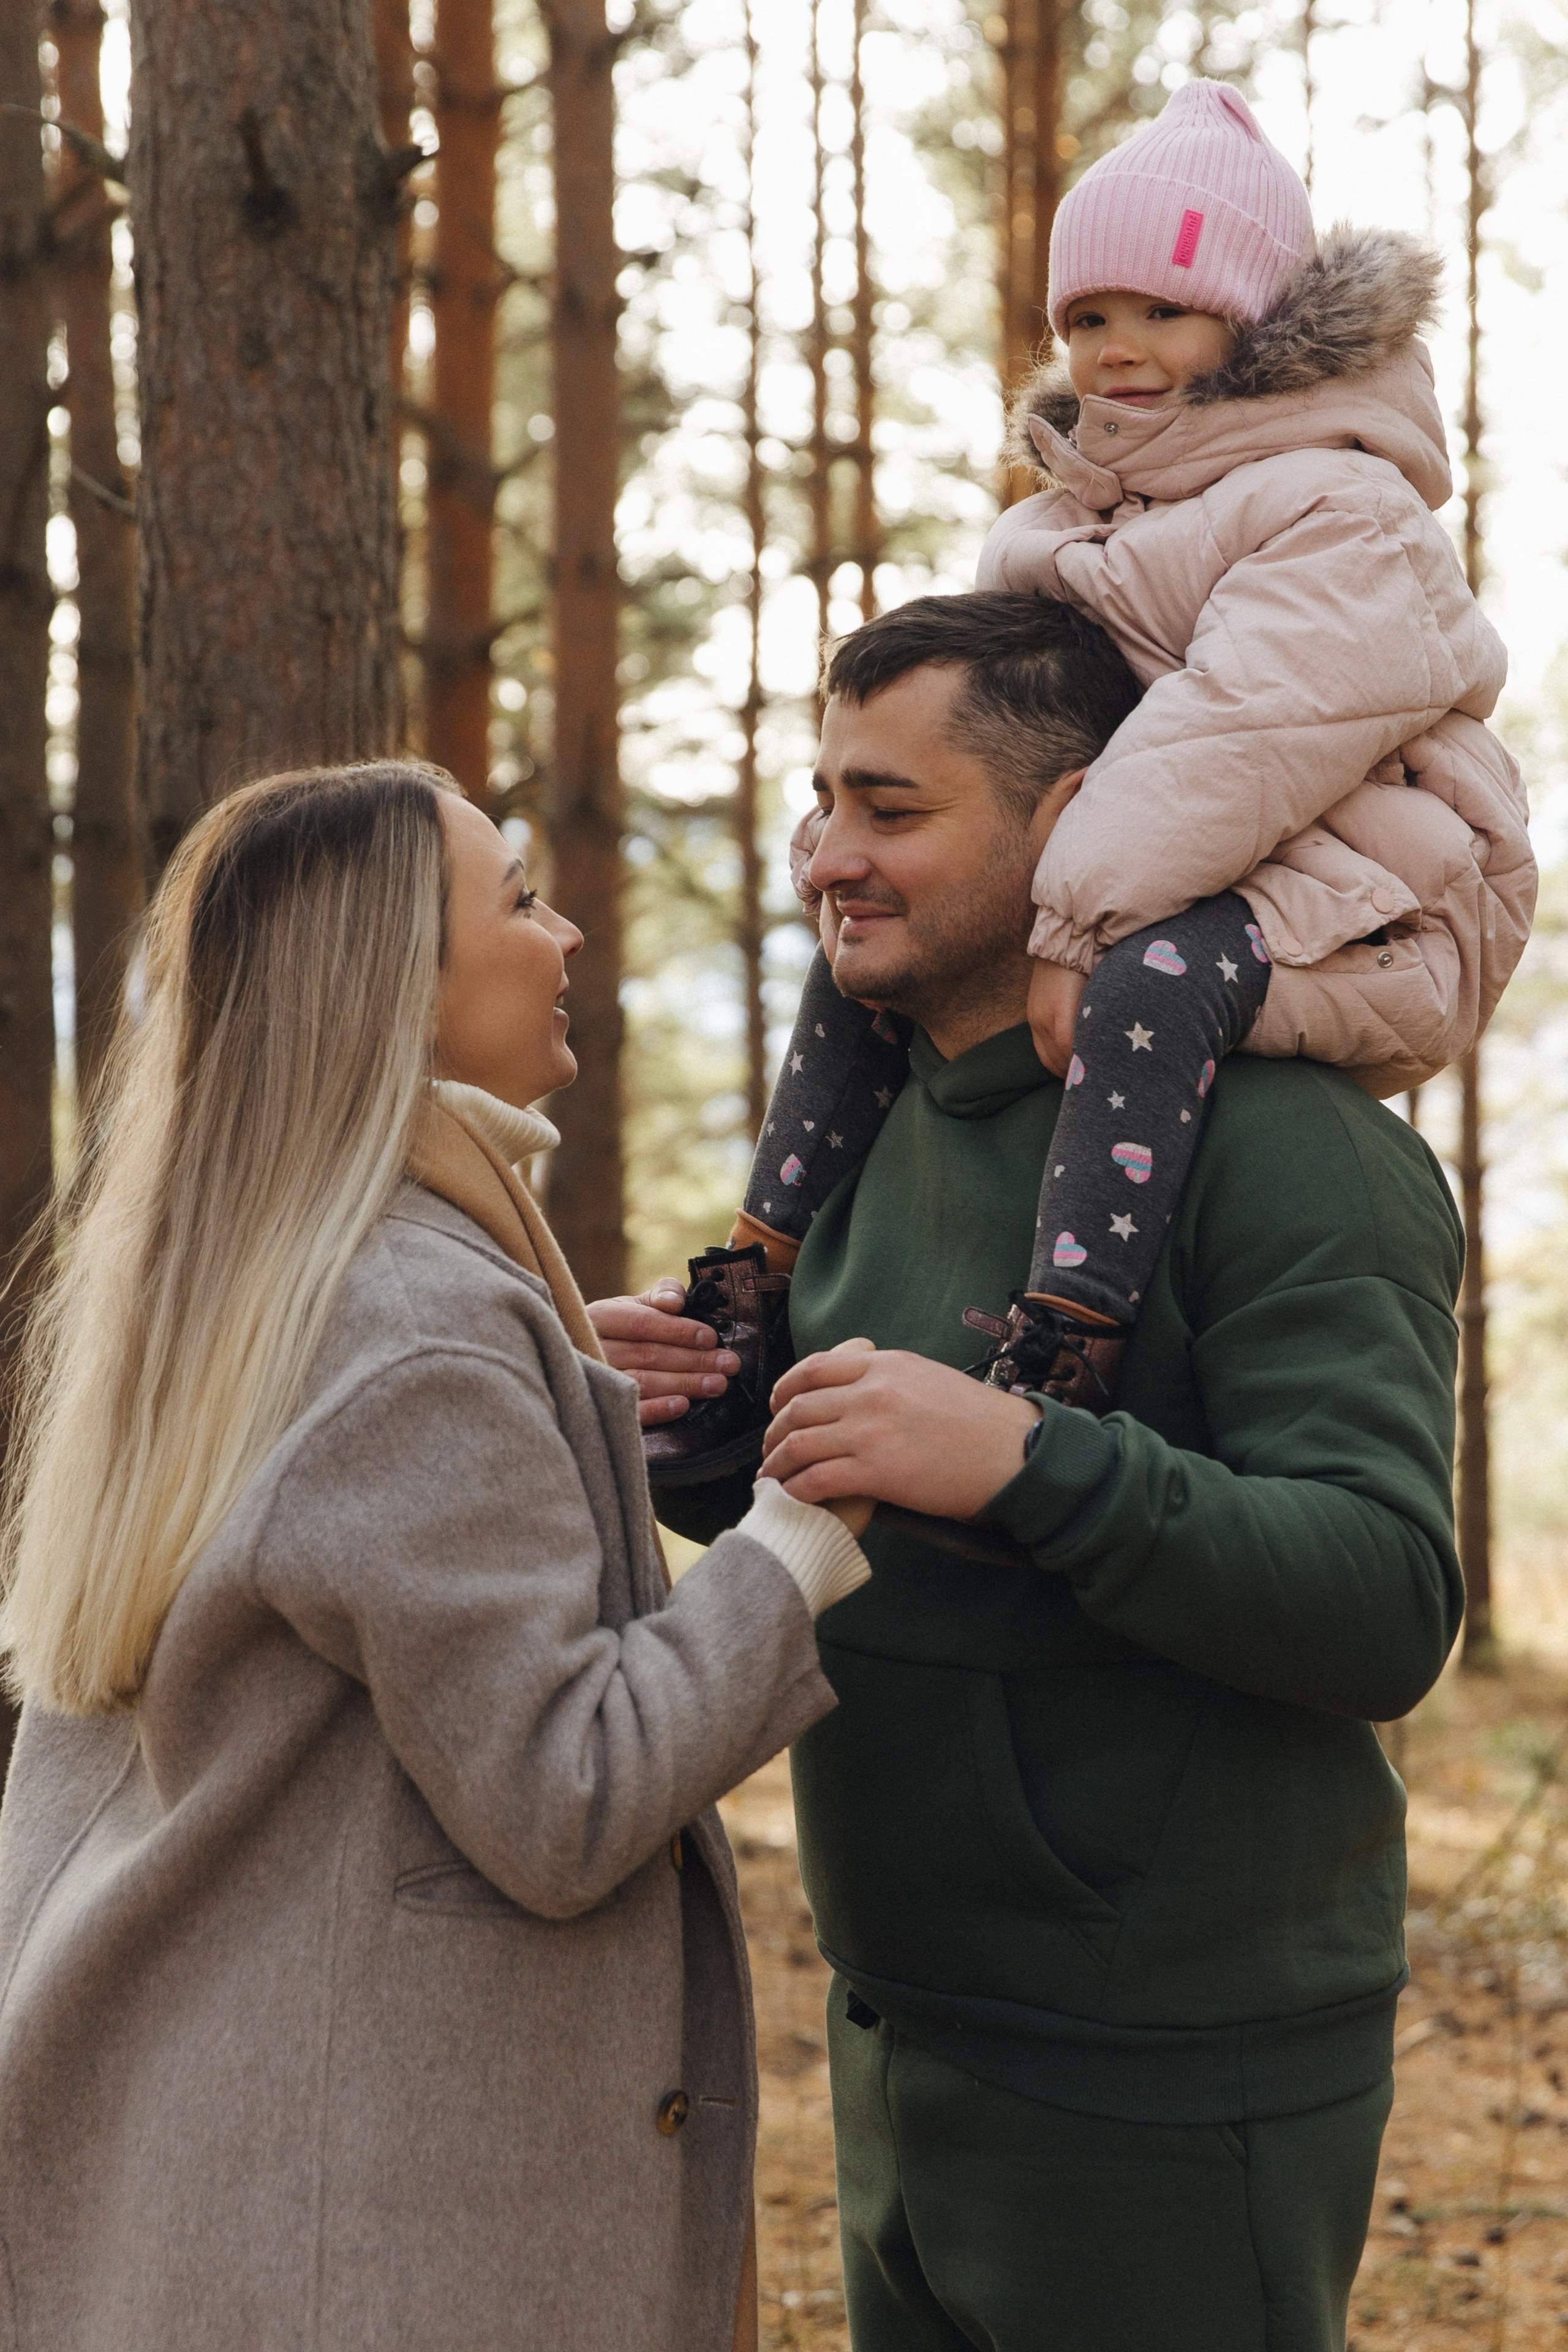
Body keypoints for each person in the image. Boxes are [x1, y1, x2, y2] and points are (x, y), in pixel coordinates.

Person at [592, 595, 1468, 2351]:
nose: (829, 856)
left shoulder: (1294, 1150)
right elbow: (885, 1518)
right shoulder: (875, 1127)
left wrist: (1034, 1460)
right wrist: (694, 1435)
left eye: (891, 811)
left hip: (1164, 2070)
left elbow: (1384, 1601)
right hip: (897, 2024)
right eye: (822, 804)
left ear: (1077, 826)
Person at [0, 761, 872, 2352]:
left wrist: (543, 1372)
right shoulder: (416, 1330)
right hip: (379, 2234)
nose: (572, 933)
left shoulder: (251, 1273)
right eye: (521, 899)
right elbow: (569, 1794)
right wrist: (811, 1528)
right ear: (402, 989)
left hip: (212, 2149)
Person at [647, 76, 1531, 1480]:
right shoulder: (1063, 518)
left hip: (1363, 877)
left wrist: (1072, 920)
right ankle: (749, 1285)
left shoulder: (1340, 505)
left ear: (1252, 324)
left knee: (1141, 991)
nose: (1114, 351)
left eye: (1160, 313)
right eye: (1085, 320)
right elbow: (993, 733)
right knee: (856, 954)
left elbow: (1240, 731)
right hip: (1159, 865)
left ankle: (1066, 1344)